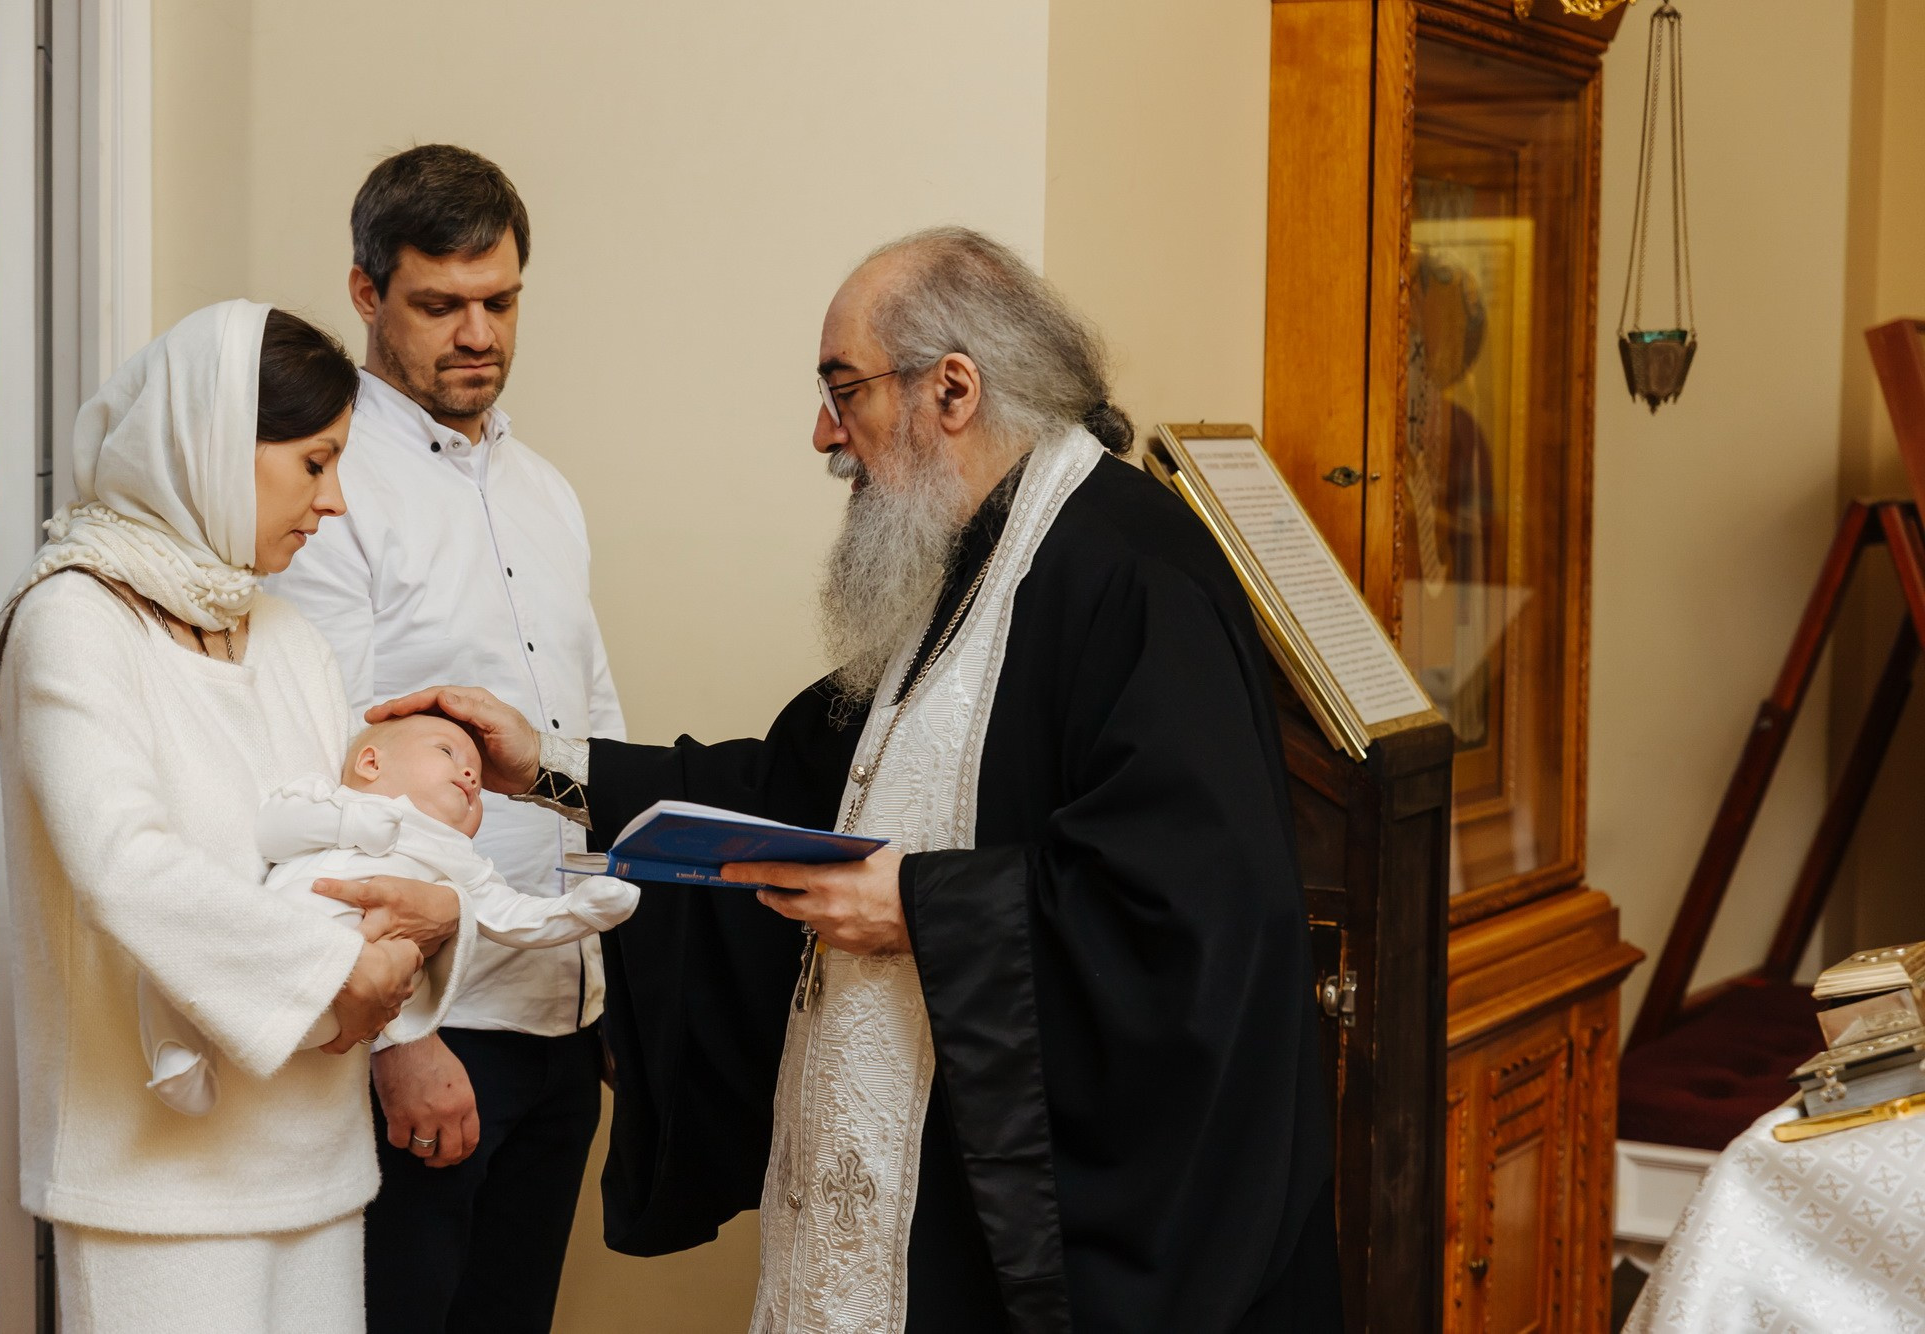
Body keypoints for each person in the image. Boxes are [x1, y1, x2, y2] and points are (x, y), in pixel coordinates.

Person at [378, 227, 1343, 1332]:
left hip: (1023, 1206)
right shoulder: (966, 561)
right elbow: (797, 783)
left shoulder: (1127, 570)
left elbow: (1195, 911)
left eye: (844, 390)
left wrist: (922, 907)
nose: (823, 434)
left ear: (952, 389)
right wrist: (543, 764)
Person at [0, 299, 467, 1334]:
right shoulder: (73, 618)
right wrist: (338, 968)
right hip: (154, 1173)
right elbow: (124, 863)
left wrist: (428, 925)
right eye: (313, 462)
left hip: (312, 1156)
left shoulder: (287, 635)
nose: (334, 501)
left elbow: (351, 832)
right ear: (212, 446)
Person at [264, 144, 626, 1333]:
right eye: (440, 304)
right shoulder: (326, 489)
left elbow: (594, 722)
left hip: (560, 1008)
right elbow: (322, 780)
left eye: (500, 301)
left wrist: (605, 969)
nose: (477, 332)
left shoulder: (548, 491)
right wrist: (398, 1042)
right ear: (367, 294)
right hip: (430, 1020)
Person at [138, 714, 642, 1116]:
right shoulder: (329, 800)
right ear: (371, 763)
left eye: (478, 781)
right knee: (169, 957)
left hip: (343, 990)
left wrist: (579, 911)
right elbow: (271, 830)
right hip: (269, 937)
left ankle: (213, 1055)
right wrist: (354, 820)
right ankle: (177, 1052)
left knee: (273, 1023)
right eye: (448, 753)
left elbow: (510, 916)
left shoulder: (459, 859)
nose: (471, 775)